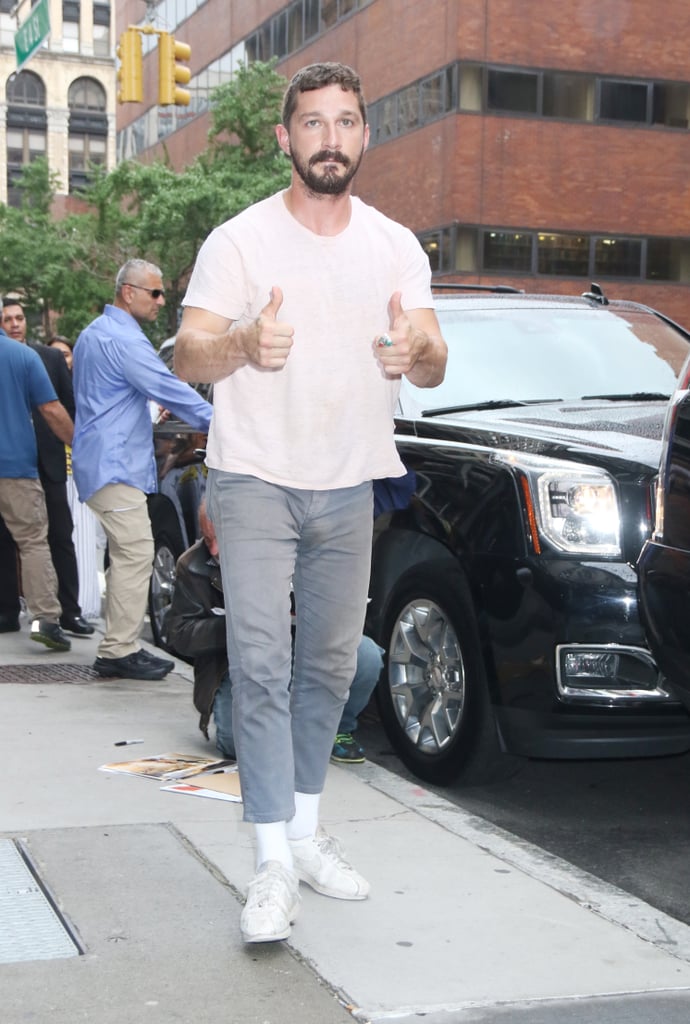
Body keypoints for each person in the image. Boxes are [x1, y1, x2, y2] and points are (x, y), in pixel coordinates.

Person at [174, 62, 447, 944]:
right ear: (286, 137)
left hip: (350, 477)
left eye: (347, 121)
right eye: (313, 122)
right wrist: (246, 342)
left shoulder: (396, 246)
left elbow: (435, 352)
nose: (331, 136)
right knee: (260, 662)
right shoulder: (240, 241)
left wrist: (419, 355)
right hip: (253, 474)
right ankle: (269, 863)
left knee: (330, 667)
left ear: (365, 136)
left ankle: (300, 831)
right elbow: (187, 355)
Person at [71, 258, 213, 681]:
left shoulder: (93, 334)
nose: (160, 300)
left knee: (127, 554)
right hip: (114, 466)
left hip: (102, 462)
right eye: (154, 292)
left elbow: (114, 397)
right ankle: (119, 650)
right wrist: (224, 423)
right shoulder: (124, 340)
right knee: (135, 552)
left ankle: (120, 646)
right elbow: (168, 386)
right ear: (127, 292)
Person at [164, 500, 383, 763]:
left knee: (366, 655)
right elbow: (180, 634)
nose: (215, 549)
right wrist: (239, 625)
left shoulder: (290, 549)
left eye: (224, 538)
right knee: (238, 745)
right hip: (237, 662)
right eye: (207, 538)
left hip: (301, 643)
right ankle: (287, 729)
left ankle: (336, 726)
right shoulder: (193, 565)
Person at [0, 298, 94, 637]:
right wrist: (82, 448)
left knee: (55, 536)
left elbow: (63, 406)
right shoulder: (23, 357)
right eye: (7, 317)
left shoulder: (45, 357)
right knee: (31, 541)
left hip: (39, 464)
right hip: (16, 466)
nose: (14, 323)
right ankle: (35, 617)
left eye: (19, 317)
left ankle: (64, 612)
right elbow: (54, 410)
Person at [50, 334, 103, 619]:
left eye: (65, 355)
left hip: (83, 474)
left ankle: (86, 606)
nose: (61, 360)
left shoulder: (85, 389)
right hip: (55, 475)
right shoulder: (45, 391)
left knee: (85, 542)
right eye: (55, 355)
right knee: (61, 541)